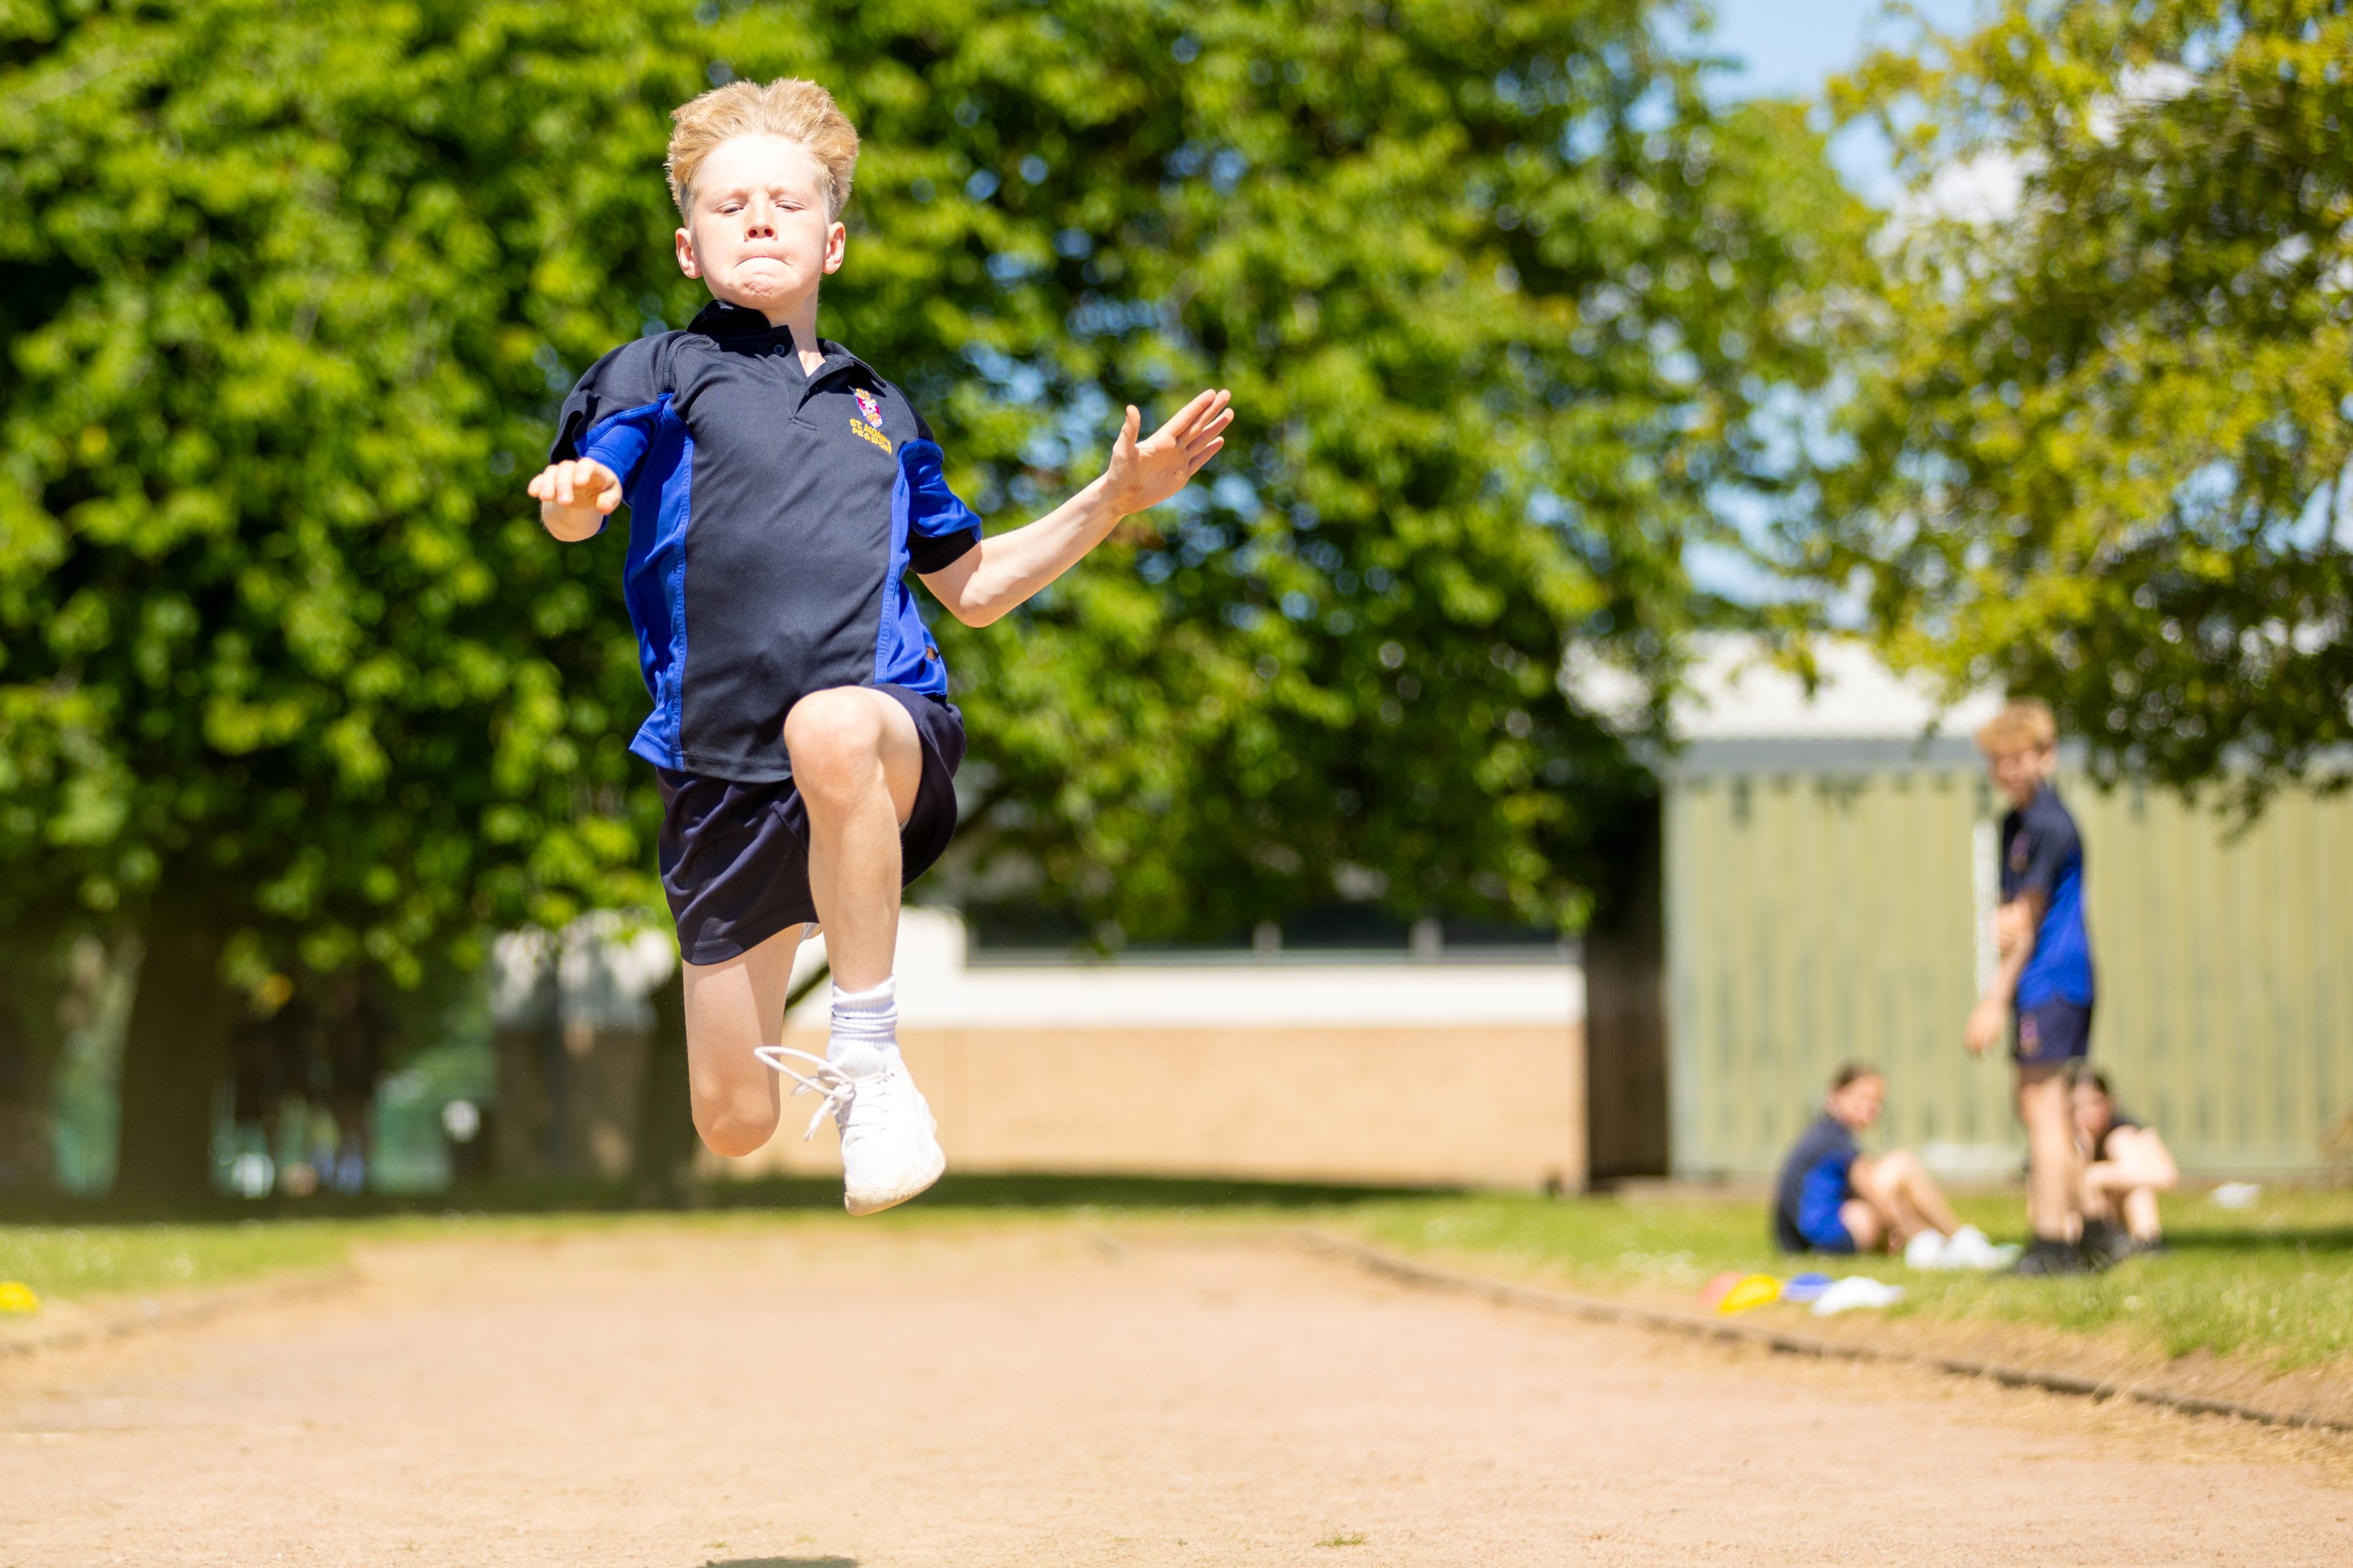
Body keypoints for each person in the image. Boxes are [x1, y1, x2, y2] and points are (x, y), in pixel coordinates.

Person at [524, 79, 1231, 1215]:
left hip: (881, 725)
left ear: (833, 240)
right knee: (733, 1117)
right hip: (718, 769)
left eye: (786, 203)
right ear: (688, 246)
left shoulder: (883, 414)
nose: (757, 218)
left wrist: (1110, 500)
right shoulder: (656, 371)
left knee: (834, 723)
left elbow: (975, 586)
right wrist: (578, 493)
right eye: (728, 205)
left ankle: (868, 1054)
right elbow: (583, 494)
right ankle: (820, 892)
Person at [1966, 698, 2096, 1273]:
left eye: (2019, 757)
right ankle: (2092, 1226)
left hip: (2051, 978)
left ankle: (2052, 1241)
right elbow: (2008, 914)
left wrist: (1991, 1001)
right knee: (2046, 1106)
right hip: (2038, 979)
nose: (2008, 770)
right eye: (1998, 759)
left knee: (2041, 1106)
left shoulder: (2046, 823)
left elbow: (2027, 923)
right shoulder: (2013, 823)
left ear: (2045, 756)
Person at [1773, 1063, 2008, 1266]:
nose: (1871, 1108)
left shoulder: (1823, 1134)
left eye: (1877, 1102)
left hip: (1803, 1240)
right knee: (1901, 1165)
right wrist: (1897, 1229)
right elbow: (1870, 1189)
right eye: (1863, 1099)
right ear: (1836, 1096)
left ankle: (1937, 1242)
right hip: (1824, 1237)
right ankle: (1954, 1239)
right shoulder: (1834, 1138)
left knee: (1892, 1186)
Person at [2071, 1067, 2176, 1262]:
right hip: (2086, 1220)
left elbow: (2167, 1174)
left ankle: (2147, 1240)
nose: (2088, 1114)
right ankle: (2081, 1243)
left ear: (2110, 1102)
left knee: (2124, 1145)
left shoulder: (2126, 1129)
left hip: (2121, 1214)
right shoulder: (2064, 1139)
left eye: (2095, 1103)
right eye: (2079, 1107)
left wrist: (2102, 1175)